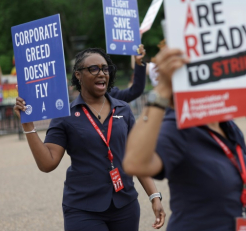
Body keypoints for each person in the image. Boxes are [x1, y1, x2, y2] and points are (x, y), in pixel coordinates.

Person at [14, 47, 165, 231]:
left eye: (105, 68)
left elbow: (136, 157)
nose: (101, 73)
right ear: (78, 75)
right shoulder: (64, 115)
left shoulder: (123, 109)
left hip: (125, 206)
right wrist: (28, 126)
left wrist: (154, 196)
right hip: (83, 209)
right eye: (94, 69)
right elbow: (47, 163)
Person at [123, 47, 246, 231]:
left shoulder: (226, 123)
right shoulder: (176, 126)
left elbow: (238, 189)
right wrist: (161, 89)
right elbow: (135, 164)